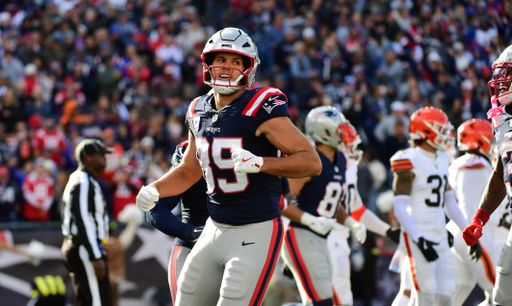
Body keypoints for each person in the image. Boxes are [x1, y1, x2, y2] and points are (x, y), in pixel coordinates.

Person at [136, 27, 321, 306]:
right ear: (208, 63)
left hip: (255, 229)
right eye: (221, 59)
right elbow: (189, 171)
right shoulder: (198, 109)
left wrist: (261, 163)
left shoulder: (261, 106)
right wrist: (155, 189)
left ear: (248, 68)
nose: (226, 67)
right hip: (214, 227)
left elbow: (311, 161)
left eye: (236, 61)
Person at [280, 106, 367, 306]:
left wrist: (350, 222)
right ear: (324, 132)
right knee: (323, 302)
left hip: (320, 237)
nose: (346, 133)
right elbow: (280, 202)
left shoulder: (341, 160)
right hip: (300, 234)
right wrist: (309, 219)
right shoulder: (310, 158)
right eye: (340, 129)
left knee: (321, 300)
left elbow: (330, 202)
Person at [390, 106, 468, 306]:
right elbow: (399, 206)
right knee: (424, 293)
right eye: (441, 129)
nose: (446, 134)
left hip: (439, 232)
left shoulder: (442, 158)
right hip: (418, 231)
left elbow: (450, 201)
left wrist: (468, 230)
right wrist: (419, 238)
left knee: (446, 294)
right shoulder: (408, 158)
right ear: (426, 131)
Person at [325, 118, 400, 305]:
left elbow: (357, 209)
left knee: (343, 296)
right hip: (324, 239)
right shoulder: (322, 167)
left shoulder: (349, 169)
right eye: (347, 145)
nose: (354, 150)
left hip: (340, 239)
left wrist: (386, 230)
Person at [463, 44, 512, 305]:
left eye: (508, 77)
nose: (501, 86)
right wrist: (480, 218)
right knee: (502, 299)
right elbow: (502, 170)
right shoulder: (505, 122)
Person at [448, 118, 504, 306]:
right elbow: (469, 206)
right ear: (479, 139)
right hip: (474, 234)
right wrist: (474, 236)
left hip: (466, 232)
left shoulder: (464, 162)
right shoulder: (474, 163)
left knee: (457, 293)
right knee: (499, 291)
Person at [147, 140, 208, 304]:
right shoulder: (190, 150)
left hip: (236, 241)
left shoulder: (250, 144)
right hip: (193, 244)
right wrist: (191, 232)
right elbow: (155, 209)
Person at [60, 138, 112, 306]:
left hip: (82, 246)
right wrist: (95, 255)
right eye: (100, 155)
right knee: (98, 302)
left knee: (86, 300)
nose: (104, 159)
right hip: (83, 247)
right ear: (88, 158)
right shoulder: (82, 181)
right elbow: (83, 219)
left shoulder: (85, 180)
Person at [106, 204, 144, 306]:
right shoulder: (111, 243)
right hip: (111, 278)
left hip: (107, 279)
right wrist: (133, 224)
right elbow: (124, 242)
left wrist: (133, 224)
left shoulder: (104, 243)